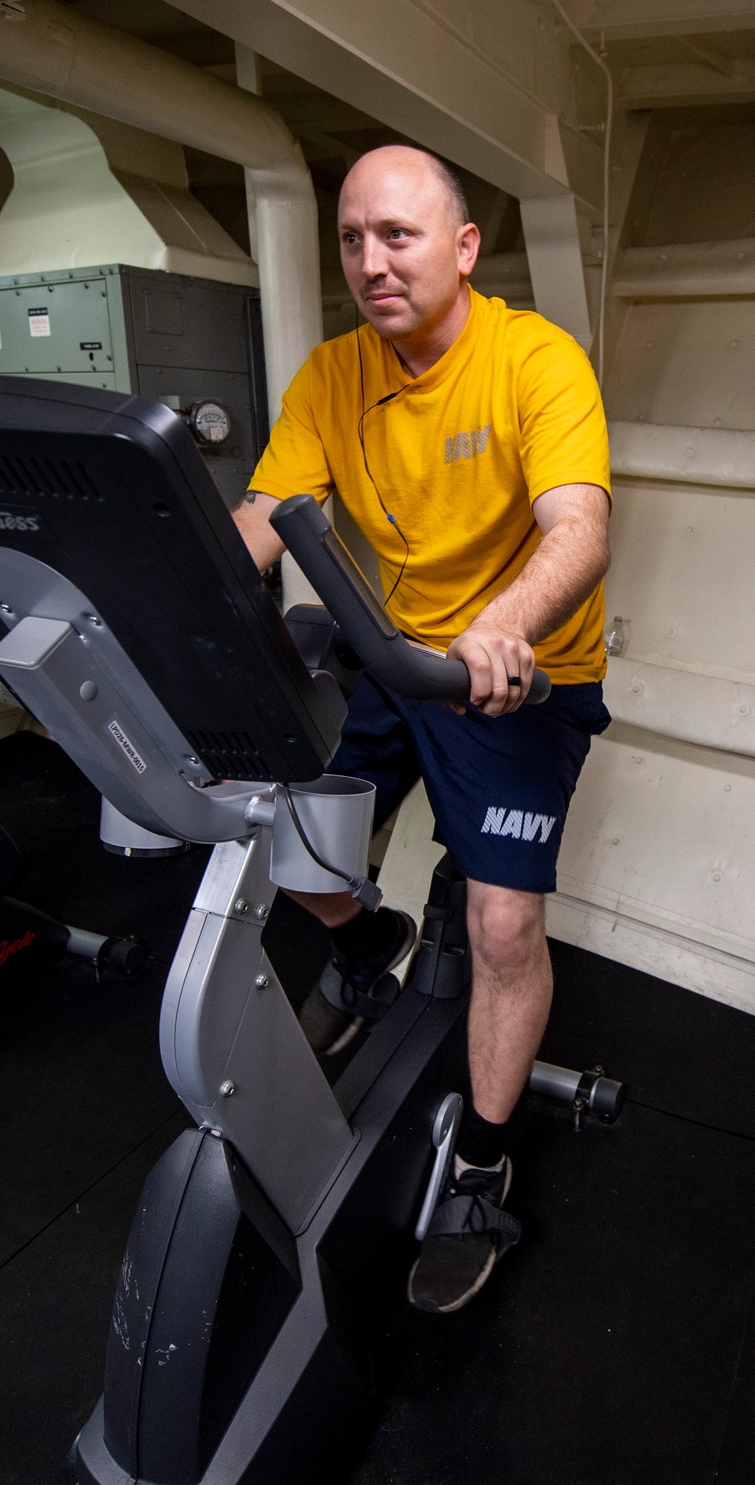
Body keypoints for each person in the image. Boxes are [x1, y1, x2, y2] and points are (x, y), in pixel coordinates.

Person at [232, 144, 612, 1315]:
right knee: (284, 838)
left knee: (501, 926)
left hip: (516, 674)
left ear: (461, 248)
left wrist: (498, 629)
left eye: (396, 235)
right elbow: (258, 519)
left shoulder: (533, 360)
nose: (369, 261)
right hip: (391, 657)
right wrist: (166, 600)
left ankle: (482, 1170)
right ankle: (365, 948)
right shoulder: (334, 374)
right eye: (350, 239)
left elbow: (577, 526)